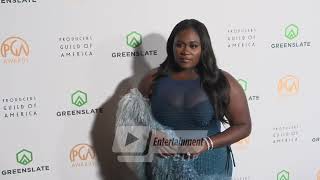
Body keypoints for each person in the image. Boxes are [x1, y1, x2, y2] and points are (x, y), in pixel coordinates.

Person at [135, 19, 251, 180]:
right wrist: (150, 136)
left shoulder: (223, 81)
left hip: (210, 170)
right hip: (163, 171)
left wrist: (206, 143)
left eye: (193, 46)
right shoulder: (151, 80)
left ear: (203, 48)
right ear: (171, 46)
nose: (185, 51)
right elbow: (130, 126)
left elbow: (244, 126)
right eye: (179, 45)